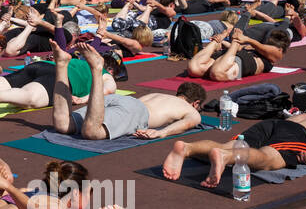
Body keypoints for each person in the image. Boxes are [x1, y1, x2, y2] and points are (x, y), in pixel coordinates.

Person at [161, 95, 306, 188]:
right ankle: (226, 156)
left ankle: (187, 148)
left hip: (274, 123)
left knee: (232, 144)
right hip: (299, 135)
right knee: (268, 159)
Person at [50, 44, 205, 140]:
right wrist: (162, 133)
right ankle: (97, 69)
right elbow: (190, 122)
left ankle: (62, 64)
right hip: (136, 110)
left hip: (123, 100)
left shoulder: (161, 96)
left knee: (64, 124)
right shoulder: (189, 108)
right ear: (195, 103)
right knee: (91, 132)